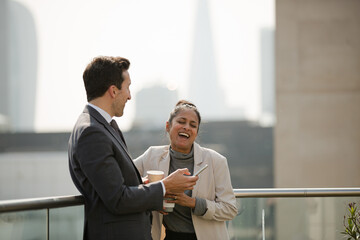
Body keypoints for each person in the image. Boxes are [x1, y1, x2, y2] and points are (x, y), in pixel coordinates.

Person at [68, 56, 198, 240]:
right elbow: (117, 199)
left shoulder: (103, 126)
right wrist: (165, 186)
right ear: (113, 91)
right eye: (127, 87)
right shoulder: (92, 132)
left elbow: (113, 186)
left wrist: (144, 184)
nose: (129, 95)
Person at [134, 100, 238, 240]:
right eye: (181, 122)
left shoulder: (216, 161)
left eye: (193, 125)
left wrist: (192, 202)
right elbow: (125, 178)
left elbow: (230, 209)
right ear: (168, 126)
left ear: (196, 132)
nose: (187, 127)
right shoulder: (152, 155)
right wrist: (154, 197)